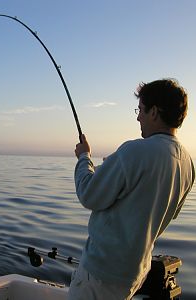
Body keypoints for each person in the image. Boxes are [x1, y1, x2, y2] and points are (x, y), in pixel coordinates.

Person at [68, 78, 195, 300]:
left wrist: (83, 157)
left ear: (154, 112)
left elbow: (89, 194)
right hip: (135, 273)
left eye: (141, 110)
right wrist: (113, 170)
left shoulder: (134, 151)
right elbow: (165, 209)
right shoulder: (187, 163)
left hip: (102, 273)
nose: (138, 117)